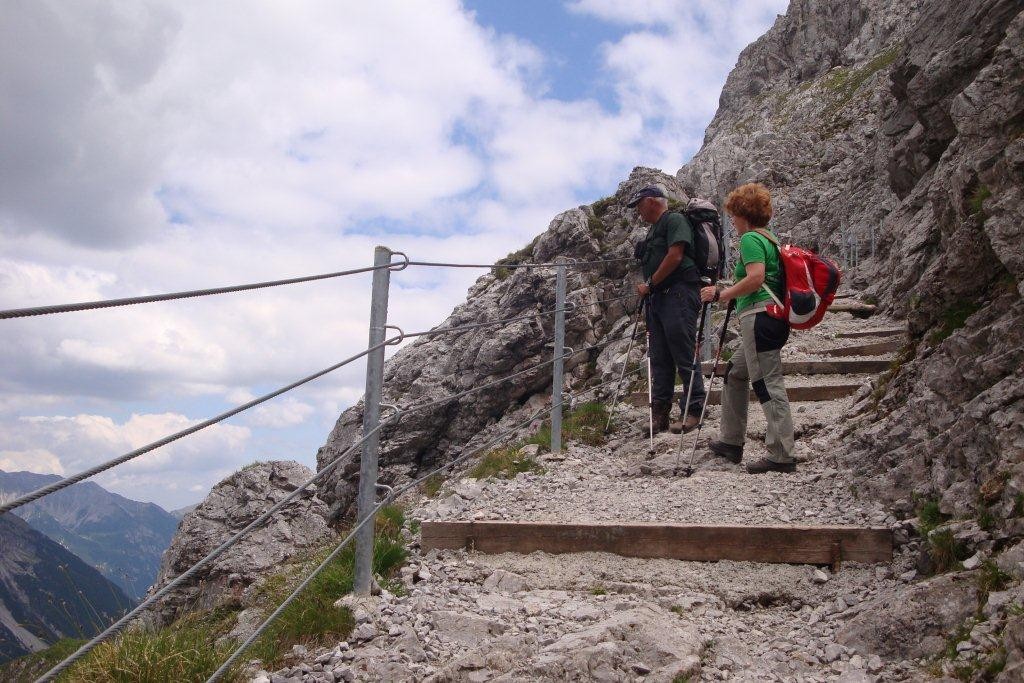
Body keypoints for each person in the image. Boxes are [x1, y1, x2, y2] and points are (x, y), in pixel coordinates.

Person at [699, 183, 795, 474]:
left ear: (743, 213)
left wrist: (722, 294)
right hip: (769, 317)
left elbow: (755, 278)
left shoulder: (752, 239)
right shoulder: (770, 239)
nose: (732, 220)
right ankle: (731, 441)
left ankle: (781, 455)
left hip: (759, 318)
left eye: (733, 214)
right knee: (735, 373)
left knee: (767, 383)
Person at [628, 184, 706, 435]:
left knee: (683, 351)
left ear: (651, 201)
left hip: (679, 293)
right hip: (661, 299)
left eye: (639, 205)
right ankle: (659, 415)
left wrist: (650, 283)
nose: (638, 211)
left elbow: (675, 256)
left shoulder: (674, 220)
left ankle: (693, 410)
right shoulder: (654, 230)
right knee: (660, 356)